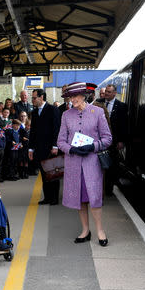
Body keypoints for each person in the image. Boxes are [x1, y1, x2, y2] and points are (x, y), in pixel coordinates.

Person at [57, 82, 112, 247]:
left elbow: (108, 139)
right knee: (80, 199)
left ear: (84, 95)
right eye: (70, 97)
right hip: (74, 164)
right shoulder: (66, 115)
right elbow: (60, 141)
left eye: (75, 96)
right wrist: (71, 150)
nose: (72, 99)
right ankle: (85, 230)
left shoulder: (98, 112)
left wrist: (93, 146)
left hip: (92, 163)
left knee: (94, 197)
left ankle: (100, 231)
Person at [28, 88, 61, 205]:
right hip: (39, 148)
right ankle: (47, 197)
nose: (32, 100)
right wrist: (30, 148)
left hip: (51, 148)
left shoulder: (53, 110)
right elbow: (33, 131)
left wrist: (55, 146)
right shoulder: (34, 112)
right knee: (43, 174)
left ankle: (54, 198)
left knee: (53, 173)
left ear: (41, 97)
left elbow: (56, 129)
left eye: (34, 97)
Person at [96, 84, 128, 195]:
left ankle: (109, 189)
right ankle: (100, 188)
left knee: (111, 165)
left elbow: (124, 125)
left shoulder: (122, 106)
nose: (106, 94)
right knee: (99, 164)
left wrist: (121, 141)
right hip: (100, 141)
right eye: (106, 92)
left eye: (109, 92)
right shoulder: (98, 103)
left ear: (115, 93)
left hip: (114, 141)